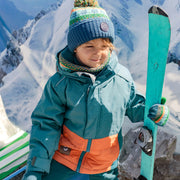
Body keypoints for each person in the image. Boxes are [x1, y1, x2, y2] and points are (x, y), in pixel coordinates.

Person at [23, 0, 169, 179]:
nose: (98, 53)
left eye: (105, 46)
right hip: (65, 161)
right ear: (75, 48)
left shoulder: (120, 79)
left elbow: (133, 106)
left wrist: (154, 112)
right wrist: (36, 169)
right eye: (89, 46)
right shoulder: (60, 83)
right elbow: (46, 125)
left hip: (103, 167)